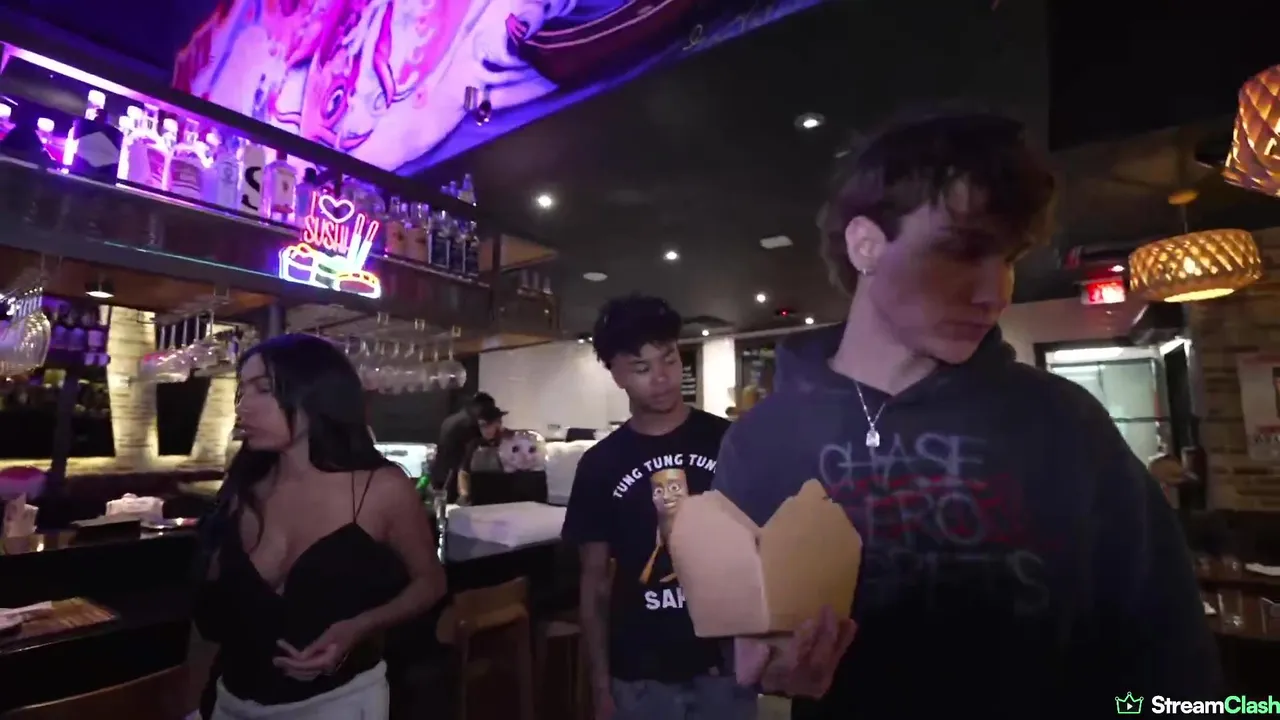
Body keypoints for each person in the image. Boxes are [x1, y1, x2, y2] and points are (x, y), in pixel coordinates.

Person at [712, 114, 1221, 718]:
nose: (996, 292)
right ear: (866, 244)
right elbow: (739, 645)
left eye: (1009, 258)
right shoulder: (759, 442)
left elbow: (1171, 654)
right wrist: (766, 675)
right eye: (960, 250)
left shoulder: (1063, 423)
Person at [195, 334, 447, 720]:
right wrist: (188, 701)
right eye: (242, 391)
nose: (243, 406)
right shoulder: (243, 486)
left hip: (341, 704)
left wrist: (358, 628)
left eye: (264, 389)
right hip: (229, 703)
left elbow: (430, 582)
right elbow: (210, 615)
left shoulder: (381, 489)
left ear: (318, 395)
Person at [562, 295, 757, 720]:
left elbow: (761, 551)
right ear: (616, 374)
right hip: (639, 676)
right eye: (642, 368)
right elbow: (594, 583)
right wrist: (599, 685)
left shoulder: (730, 442)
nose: (663, 378)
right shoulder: (600, 464)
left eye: (669, 359)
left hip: (725, 668)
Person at [430, 392, 499, 502]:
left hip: (439, 472)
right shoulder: (469, 423)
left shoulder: (455, 418)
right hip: (452, 476)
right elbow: (471, 451)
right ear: (479, 406)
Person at [456, 403, 508, 503]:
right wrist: (464, 493)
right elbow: (463, 473)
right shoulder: (474, 445)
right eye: (482, 426)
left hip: (505, 498)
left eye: (488, 425)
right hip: (478, 498)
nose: (485, 430)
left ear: (499, 423)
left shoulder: (510, 443)